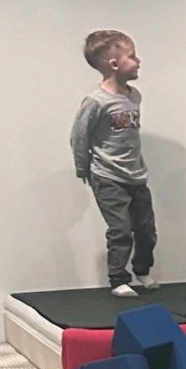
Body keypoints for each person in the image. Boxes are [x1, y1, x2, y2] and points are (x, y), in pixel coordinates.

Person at [70, 29, 157, 298]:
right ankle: (118, 277)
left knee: (146, 230)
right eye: (132, 56)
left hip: (135, 174)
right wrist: (83, 168)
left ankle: (142, 269)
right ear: (114, 65)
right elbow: (79, 136)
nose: (139, 61)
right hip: (107, 176)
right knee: (121, 229)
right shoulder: (96, 102)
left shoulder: (134, 96)